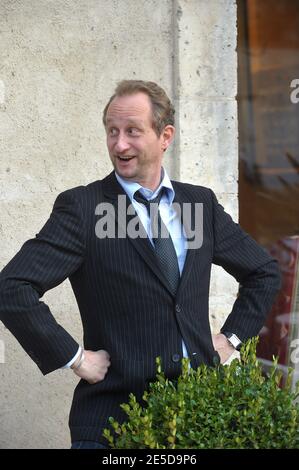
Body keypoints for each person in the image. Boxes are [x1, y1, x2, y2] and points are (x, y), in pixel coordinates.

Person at [0, 80, 281, 449]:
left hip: (196, 416)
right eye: (112, 132)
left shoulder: (198, 205)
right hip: (111, 422)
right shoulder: (85, 208)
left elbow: (263, 272)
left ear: (165, 136)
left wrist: (229, 338)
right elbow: (12, 287)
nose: (119, 145)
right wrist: (75, 357)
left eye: (132, 131)